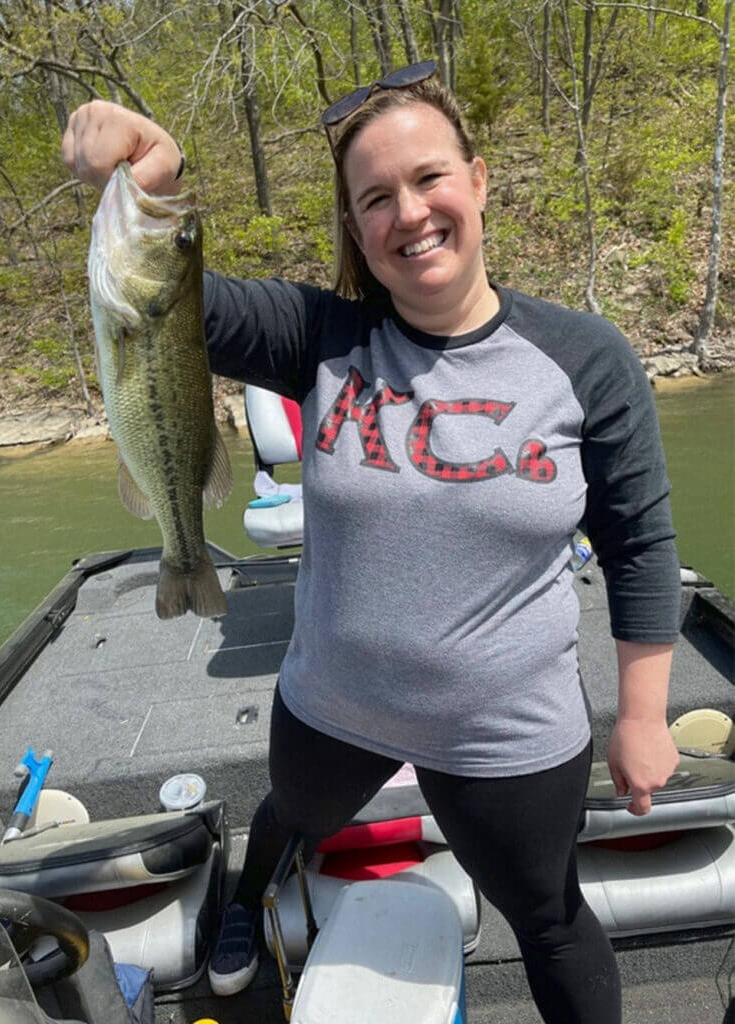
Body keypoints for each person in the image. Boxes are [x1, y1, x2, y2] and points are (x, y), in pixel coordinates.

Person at [63, 62, 681, 1023]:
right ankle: (246, 895)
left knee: (550, 920)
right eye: (376, 198)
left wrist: (644, 717)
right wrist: (153, 171)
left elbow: (639, 544)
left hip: (507, 731)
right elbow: (173, 303)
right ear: (356, 227)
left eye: (430, 179)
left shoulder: (585, 360)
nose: (411, 213)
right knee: (289, 817)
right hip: (334, 706)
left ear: (478, 180)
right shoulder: (320, 335)